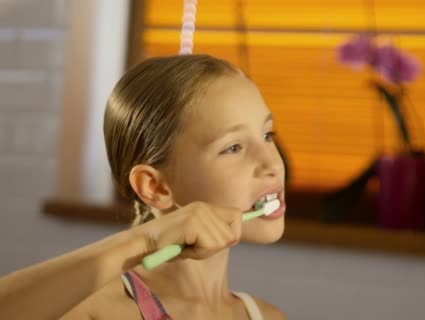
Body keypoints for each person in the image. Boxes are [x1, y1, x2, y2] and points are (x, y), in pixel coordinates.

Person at [0, 54, 288, 319]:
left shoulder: (266, 316)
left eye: (267, 134)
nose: (272, 164)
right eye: (233, 147)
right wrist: (145, 241)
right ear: (155, 187)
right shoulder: (98, 313)